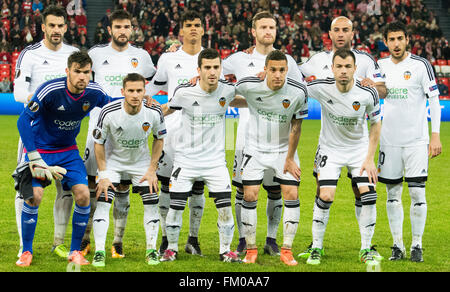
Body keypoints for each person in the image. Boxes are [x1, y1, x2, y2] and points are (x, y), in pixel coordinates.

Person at [297, 16, 386, 259]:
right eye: (339, 67)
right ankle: (316, 246)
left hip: (359, 148)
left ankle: (366, 248)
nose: (343, 71)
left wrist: (370, 158)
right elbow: (293, 78)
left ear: (355, 69)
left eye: (348, 67)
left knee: (368, 193)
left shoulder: (367, 88)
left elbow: (377, 123)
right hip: (330, 148)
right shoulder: (320, 81)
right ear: (332, 68)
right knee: (324, 195)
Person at [14, 51, 111, 267]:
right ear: (68, 71)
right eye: (77, 72)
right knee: (34, 196)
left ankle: (75, 251)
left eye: (86, 72)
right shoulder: (51, 90)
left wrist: (140, 100)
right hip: (41, 150)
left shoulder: (94, 92)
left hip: (68, 151)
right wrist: (33, 156)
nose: (82, 77)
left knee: (84, 195)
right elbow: (23, 121)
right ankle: (27, 251)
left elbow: (113, 105)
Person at [222, 11, 304, 257]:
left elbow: (299, 96)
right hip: (246, 136)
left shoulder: (287, 61)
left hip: (279, 137)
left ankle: (271, 238)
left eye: (272, 27)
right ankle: (242, 240)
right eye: (263, 27)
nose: (268, 31)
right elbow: (214, 76)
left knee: (277, 190)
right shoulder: (238, 59)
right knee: (242, 190)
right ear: (253, 31)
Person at [80, 9, 156, 259]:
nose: (123, 31)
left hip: (131, 129)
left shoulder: (142, 56)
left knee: (122, 186)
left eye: (127, 27)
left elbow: (153, 84)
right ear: (110, 29)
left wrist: (149, 96)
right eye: (118, 27)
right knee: (94, 184)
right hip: (99, 128)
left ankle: (117, 241)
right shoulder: (96, 54)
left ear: (132, 29)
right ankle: (86, 238)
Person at [159, 48, 246, 263]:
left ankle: (225, 251)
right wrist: (143, 114)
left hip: (215, 162)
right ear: (199, 70)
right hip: (186, 160)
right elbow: (167, 109)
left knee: (225, 207)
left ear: (221, 69)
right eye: (207, 67)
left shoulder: (227, 90)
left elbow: (246, 99)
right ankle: (171, 249)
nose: (212, 71)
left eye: (216, 67)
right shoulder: (184, 91)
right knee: (176, 206)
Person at [13, 5, 79, 259]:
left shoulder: (74, 54)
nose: (56, 30)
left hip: (64, 135)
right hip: (34, 132)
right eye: (51, 25)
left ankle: (58, 242)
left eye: (61, 25)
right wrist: (38, 100)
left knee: (66, 188)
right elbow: (18, 91)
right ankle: (24, 246)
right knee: (27, 189)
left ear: (66, 26)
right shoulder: (29, 54)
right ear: (43, 27)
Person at [377, 21, 442, 262]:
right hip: (389, 141)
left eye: (400, 39)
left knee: (417, 193)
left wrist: (435, 135)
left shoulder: (420, 65)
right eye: (391, 39)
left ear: (407, 40)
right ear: (386, 41)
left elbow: (434, 101)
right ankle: (397, 246)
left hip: (416, 141)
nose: (396, 44)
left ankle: (417, 245)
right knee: (392, 194)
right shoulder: (379, 66)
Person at [236, 50, 307, 266]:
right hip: (254, 150)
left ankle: (286, 249)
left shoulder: (297, 92)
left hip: (282, 151)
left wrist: (290, 158)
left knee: (291, 193)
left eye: (282, 70)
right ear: (265, 69)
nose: (278, 75)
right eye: (273, 69)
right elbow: (221, 90)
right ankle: (250, 250)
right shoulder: (249, 84)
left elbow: (297, 125)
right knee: (250, 195)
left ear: (287, 70)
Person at [146, 11, 206, 256]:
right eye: (189, 25)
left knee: (198, 187)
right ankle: (164, 237)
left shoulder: (211, 58)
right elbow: (152, 88)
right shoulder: (168, 59)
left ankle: (193, 239)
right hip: (171, 132)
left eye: (197, 25)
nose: (193, 29)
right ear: (181, 30)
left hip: (202, 133)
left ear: (203, 29)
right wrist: (153, 109)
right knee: (166, 186)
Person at [91, 73, 165, 267]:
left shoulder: (154, 111)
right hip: (113, 163)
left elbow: (159, 138)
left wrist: (152, 169)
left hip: (141, 164)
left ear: (144, 91)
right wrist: (104, 174)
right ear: (123, 91)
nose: (135, 95)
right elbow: (98, 143)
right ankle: (99, 251)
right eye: (130, 90)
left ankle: (151, 250)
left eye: (139, 90)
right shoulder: (109, 111)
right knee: (103, 202)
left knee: (151, 201)